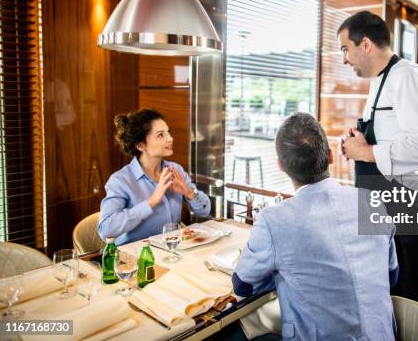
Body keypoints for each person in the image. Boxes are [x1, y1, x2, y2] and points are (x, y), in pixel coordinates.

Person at [232, 113, 398, 340]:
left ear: (280, 166)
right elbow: (392, 275)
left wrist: (284, 271)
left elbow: (243, 286)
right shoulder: (373, 202)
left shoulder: (275, 220)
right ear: (330, 156)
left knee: (233, 332)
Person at [339, 11, 418, 302]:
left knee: (404, 301)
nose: (344, 58)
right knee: (380, 299)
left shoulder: (409, 77)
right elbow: (389, 138)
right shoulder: (378, 82)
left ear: (366, 44)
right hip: (379, 211)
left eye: (345, 48)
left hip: (405, 213)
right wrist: (358, 142)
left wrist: (367, 151)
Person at [98, 109, 211, 245]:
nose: (170, 139)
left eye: (168, 132)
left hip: (171, 253)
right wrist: (151, 202)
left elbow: (205, 210)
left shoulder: (175, 170)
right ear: (140, 145)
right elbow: (105, 230)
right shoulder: (120, 181)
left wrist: (188, 192)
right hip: (135, 259)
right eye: (160, 135)